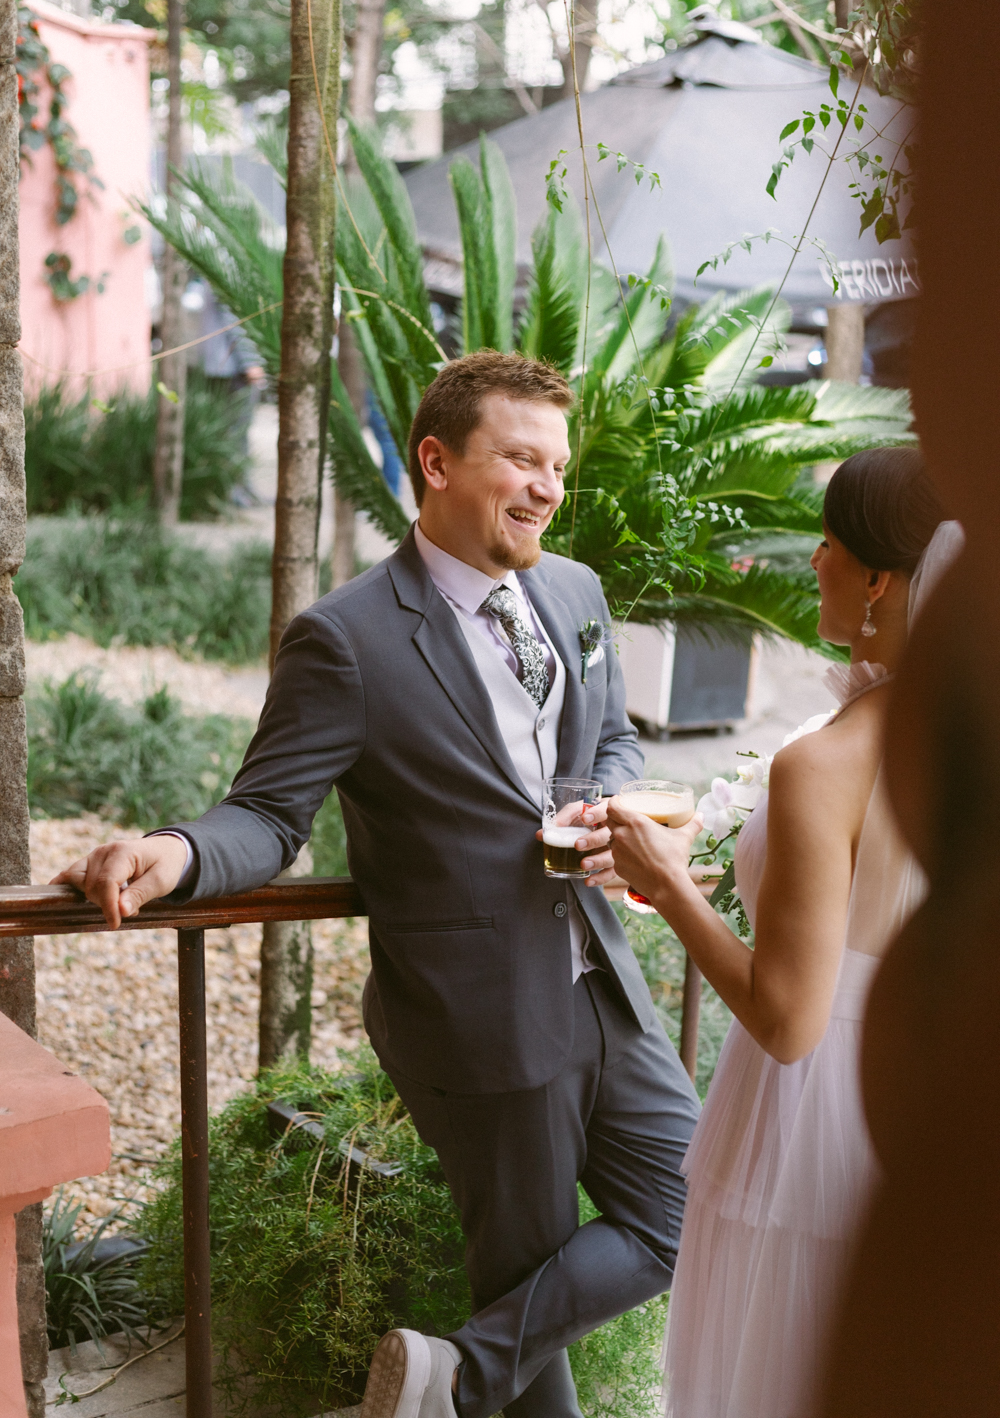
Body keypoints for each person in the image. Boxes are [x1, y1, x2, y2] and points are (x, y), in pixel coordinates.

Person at [57, 350, 701, 1418]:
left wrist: (615, 802)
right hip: (480, 1012)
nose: (547, 488)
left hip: (605, 982)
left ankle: (449, 1380)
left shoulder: (575, 591)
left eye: (558, 467)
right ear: (436, 463)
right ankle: (465, 1384)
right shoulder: (345, 639)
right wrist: (172, 854)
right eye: (521, 460)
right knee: (527, 1274)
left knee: (694, 1206)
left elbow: (611, 742)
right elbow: (269, 814)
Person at [606, 448, 949, 1418]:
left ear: (877, 579)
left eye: (829, 543)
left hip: (809, 1125)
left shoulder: (827, 765)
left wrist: (668, 886)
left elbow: (790, 1019)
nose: (814, 561)